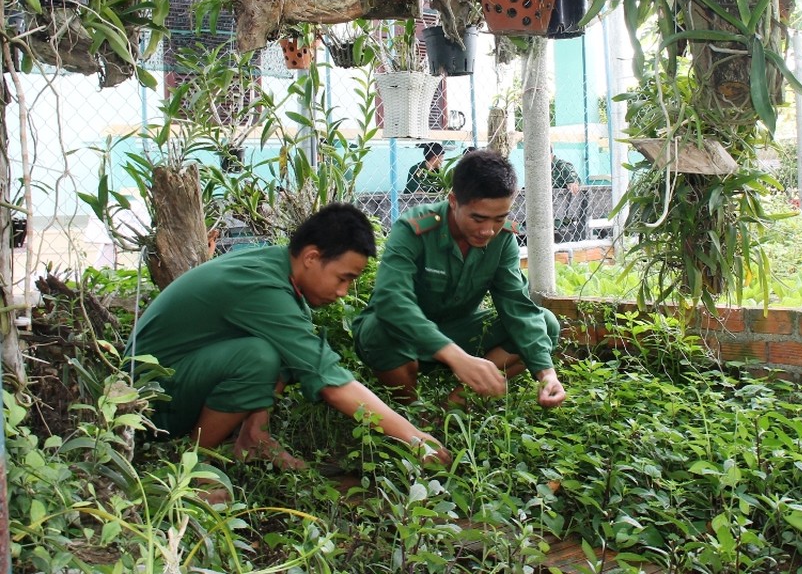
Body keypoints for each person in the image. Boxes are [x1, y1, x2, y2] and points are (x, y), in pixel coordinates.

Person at [124, 203, 449, 469]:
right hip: (145, 401)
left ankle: (254, 437)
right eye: (343, 278)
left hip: (173, 379)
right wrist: (413, 436)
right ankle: (194, 467)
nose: (343, 292)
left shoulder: (277, 271)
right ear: (311, 257)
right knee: (258, 357)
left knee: (285, 348)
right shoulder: (265, 288)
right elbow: (334, 385)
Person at [354, 149, 566, 409]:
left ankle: (454, 404)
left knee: (545, 323)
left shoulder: (502, 240)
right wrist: (455, 356)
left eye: (500, 218)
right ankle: (411, 412)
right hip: (406, 337)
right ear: (453, 200)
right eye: (478, 218)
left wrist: (547, 374)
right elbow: (391, 301)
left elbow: (517, 306)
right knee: (379, 328)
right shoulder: (414, 229)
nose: (488, 230)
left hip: (459, 333)